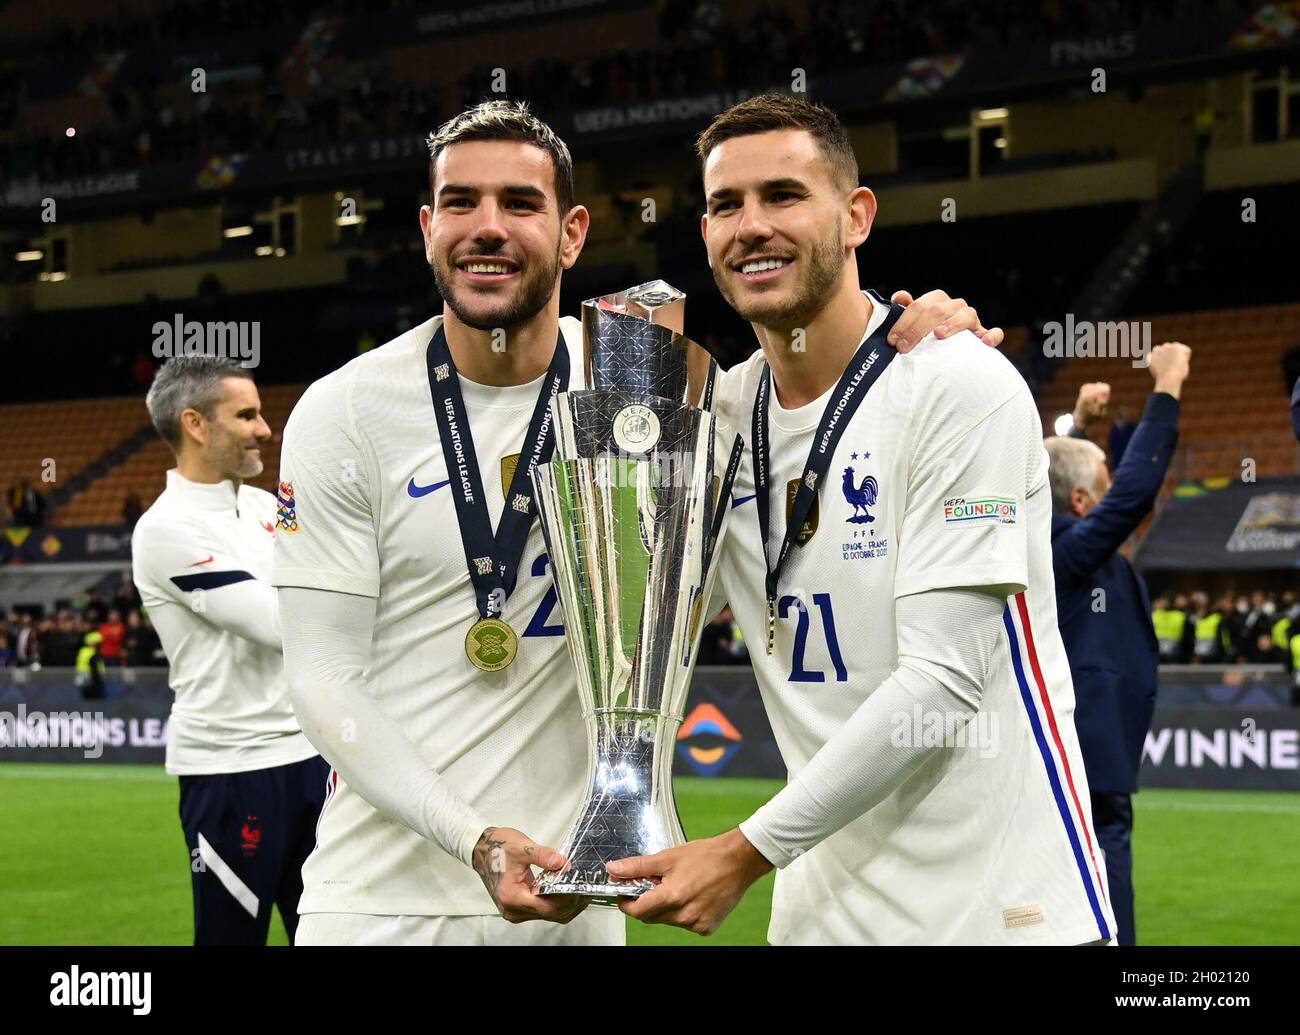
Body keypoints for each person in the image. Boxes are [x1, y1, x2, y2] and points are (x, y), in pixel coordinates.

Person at [271, 99, 991, 947]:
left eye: (521, 205)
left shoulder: (660, 383)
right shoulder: (346, 412)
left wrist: (912, 335)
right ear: (428, 228)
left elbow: (810, 396)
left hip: (581, 900)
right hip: (378, 904)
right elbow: (323, 679)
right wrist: (467, 837)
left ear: (573, 233)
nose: (487, 229)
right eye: (461, 204)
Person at [608, 93, 1115, 945]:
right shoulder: (711, 422)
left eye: (783, 195)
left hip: (1001, 918)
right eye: (726, 204)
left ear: (856, 216)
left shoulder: (959, 385)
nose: (752, 225)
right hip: (822, 925)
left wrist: (743, 850)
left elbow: (942, 680)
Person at [131, 355, 328, 945]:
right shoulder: (165, 530)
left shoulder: (271, 507)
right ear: (195, 424)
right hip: (231, 770)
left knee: (329, 932)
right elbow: (280, 623)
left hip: (312, 756)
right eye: (246, 415)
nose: (265, 430)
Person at [1040, 342, 1189, 946]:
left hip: (1092, 751)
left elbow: (1047, 485)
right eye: (1102, 481)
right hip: (1087, 756)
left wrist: (1078, 428)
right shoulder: (1064, 551)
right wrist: (1168, 386)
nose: (1115, 487)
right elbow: (1134, 495)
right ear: (1080, 503)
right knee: (1101, 903)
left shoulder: (1058, 543)